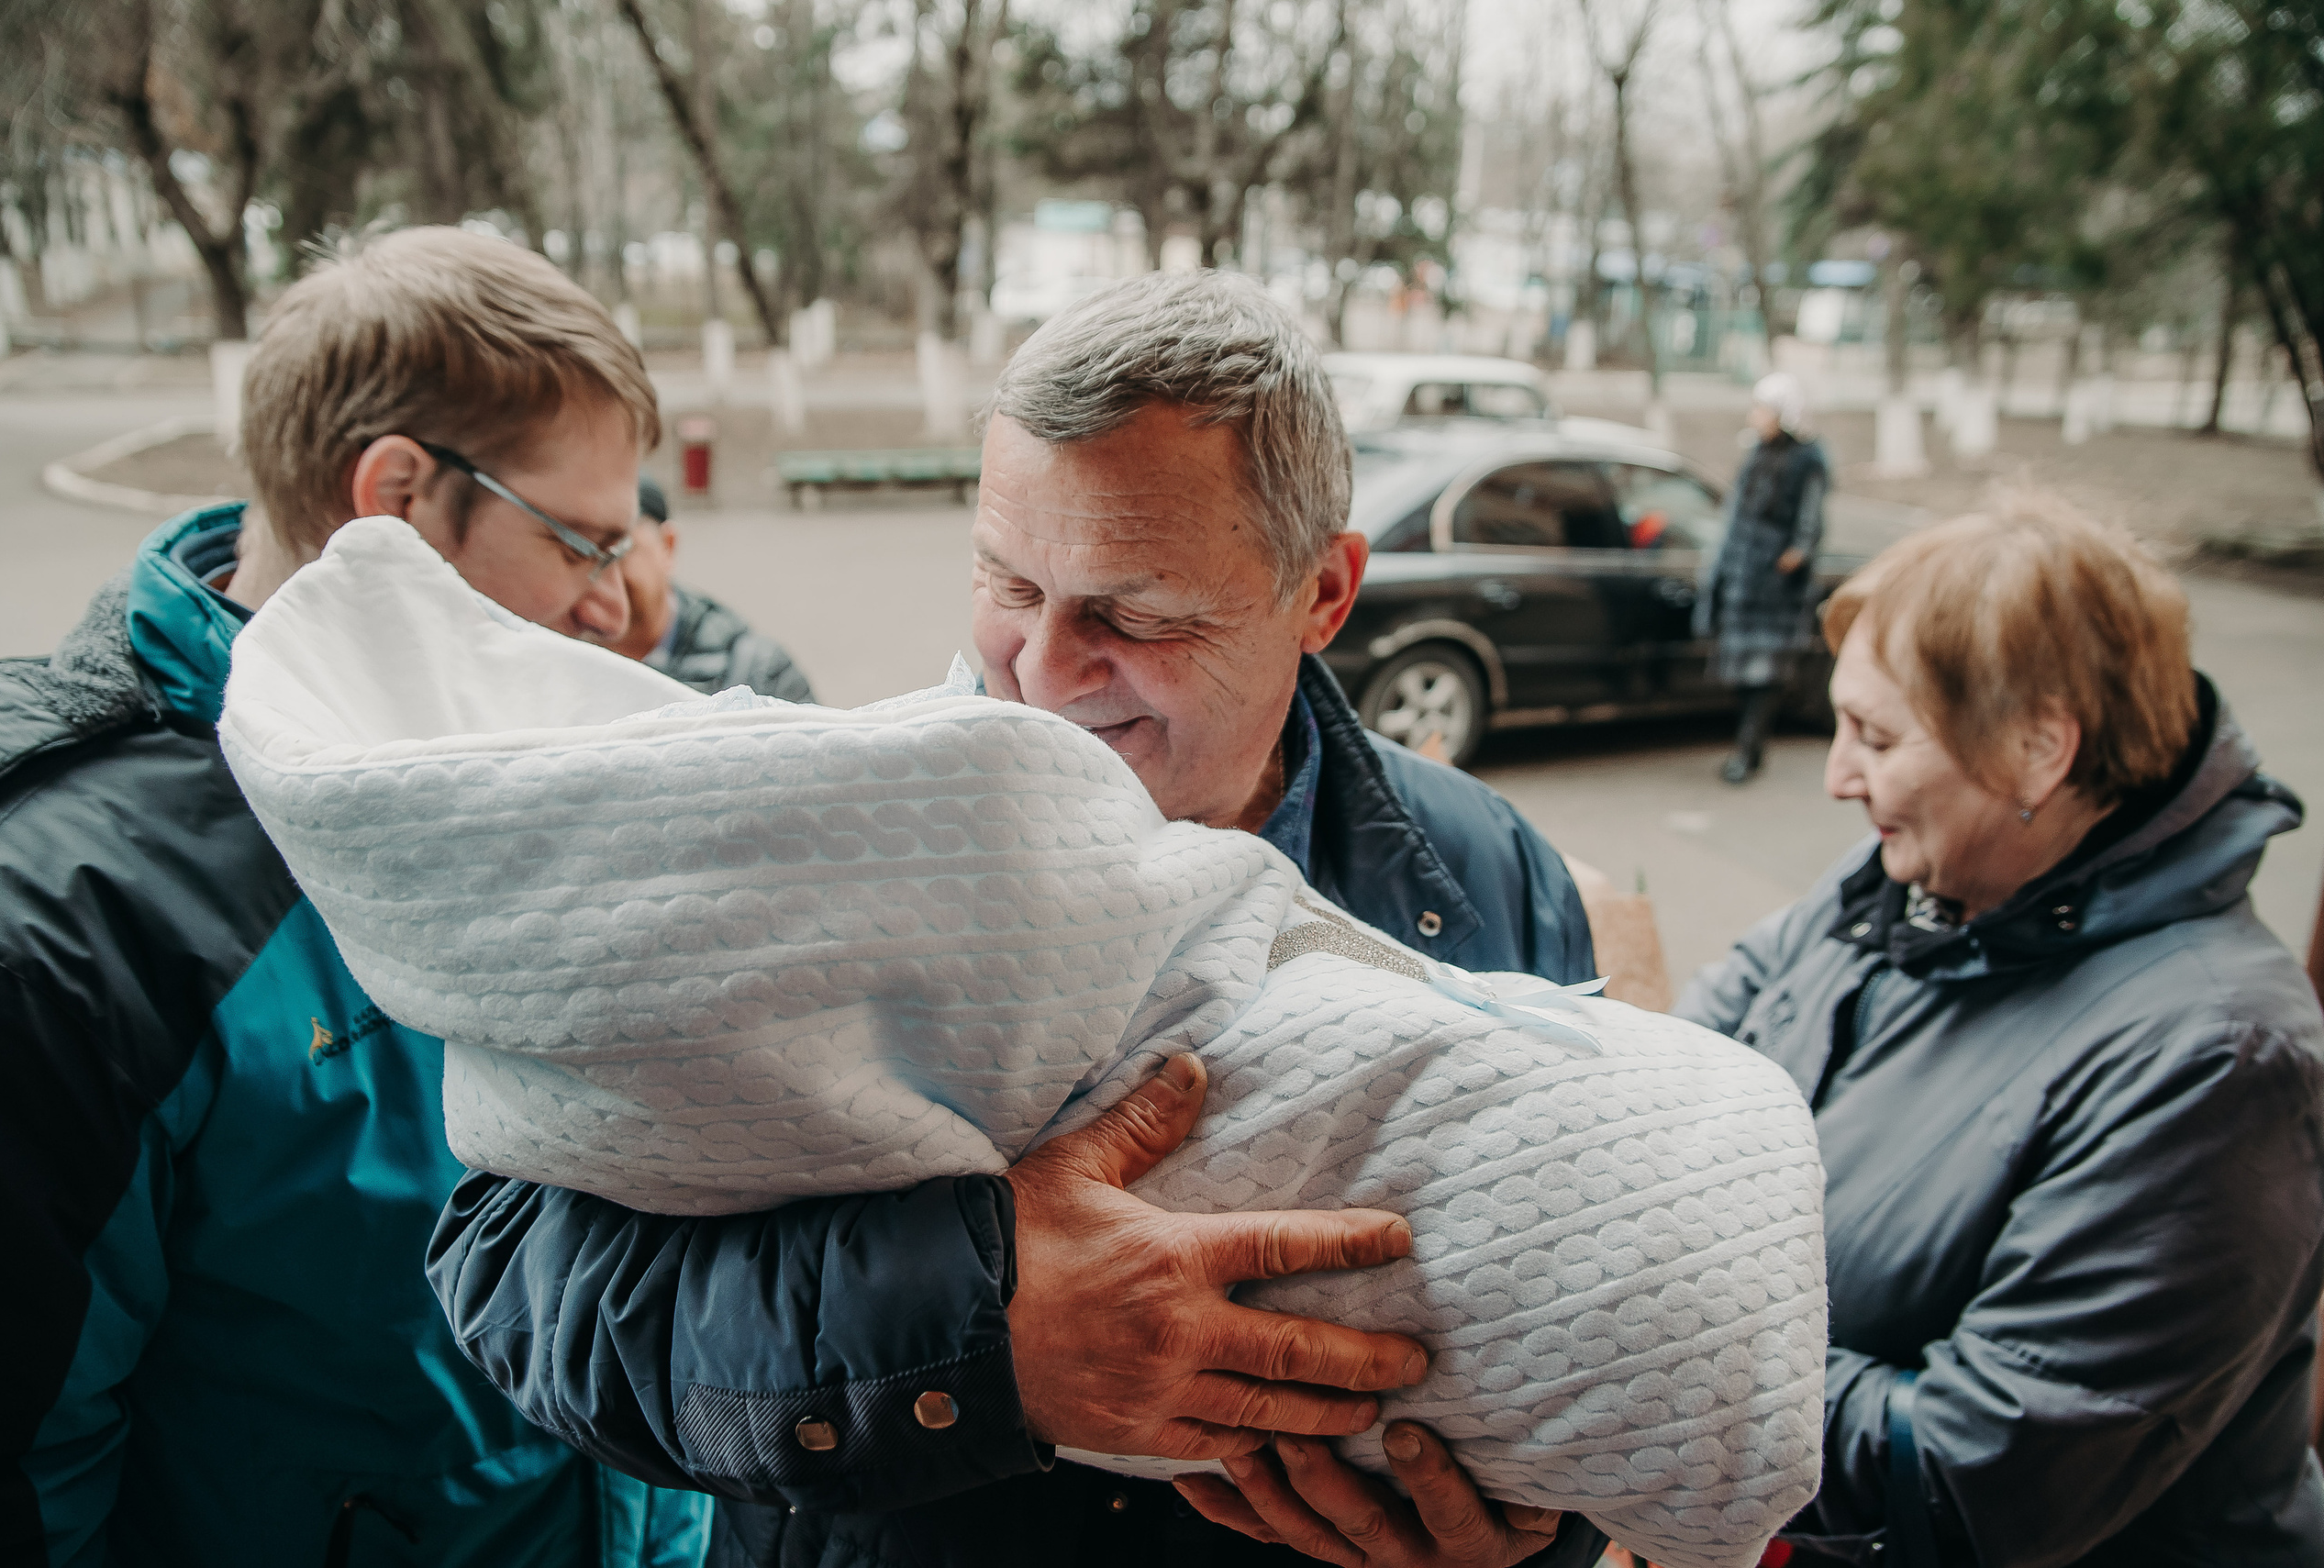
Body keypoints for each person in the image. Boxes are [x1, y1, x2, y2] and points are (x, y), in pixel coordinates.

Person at [427, 270, 1608, 1568]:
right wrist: (978, 1336)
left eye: (1131, 615)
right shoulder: (805, 818)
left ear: (1322, 593)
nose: (1041, 673)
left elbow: (1599, 1332)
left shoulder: (1491, 880)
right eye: (1007, 585)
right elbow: (520, 1273)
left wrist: (1526, 1539)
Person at [0, 226, 712, 1564]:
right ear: (394, 499)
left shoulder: (530, 767)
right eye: (582, 544)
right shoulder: (71, 934)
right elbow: (23, 1474)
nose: (622, 608)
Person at [1677, 493, 2324, 1564]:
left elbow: (1979, 1477)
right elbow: (1675, 1073)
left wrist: (1670, 1345)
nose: (1838, 776)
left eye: (1876, 737)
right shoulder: (1905, 884)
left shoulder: (2216, 1057)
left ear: (2037, 748)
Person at [1696, 372, 1829, 784]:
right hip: (1743, 579)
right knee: (1742, 671)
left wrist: (1791, 558)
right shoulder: (1755, 454)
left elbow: (1809, 525)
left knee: (1764, 673)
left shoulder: (1806, 461)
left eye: (1763, 409)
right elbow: (1735, 513)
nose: (1756, 416)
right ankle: (1747, 748)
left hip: (1774, 590)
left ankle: (1749, 750)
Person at [617, 475, 814, 699]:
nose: (600, 573)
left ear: (667, 546)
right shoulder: (568, 672)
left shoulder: (758, 673)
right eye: (580, 552)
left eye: (620, 549)